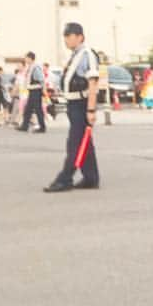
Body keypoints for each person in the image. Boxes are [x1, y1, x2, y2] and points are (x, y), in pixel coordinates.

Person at [44, 22, 101, 192]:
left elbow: (92, 83)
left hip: (81, 104)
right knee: (85, 143)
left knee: (75, 143)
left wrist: (91, 110)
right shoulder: (76, 55)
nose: (66, 40)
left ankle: (65, 178)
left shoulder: (87, 54)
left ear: (80, 37)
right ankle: (91, 177)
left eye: (69, 36)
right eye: (65, 36)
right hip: (73, 103)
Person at [19, 51, 47, 132]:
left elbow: (41, 79)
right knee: (28, 109)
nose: (25, 59)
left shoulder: (36, 67)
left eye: (26, 58)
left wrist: (43, 89)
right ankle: (24, 126)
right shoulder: (31, 67)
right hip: (32, 91)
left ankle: (42, 127)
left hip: (36, 91)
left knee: (38, 110)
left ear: (30, 58)